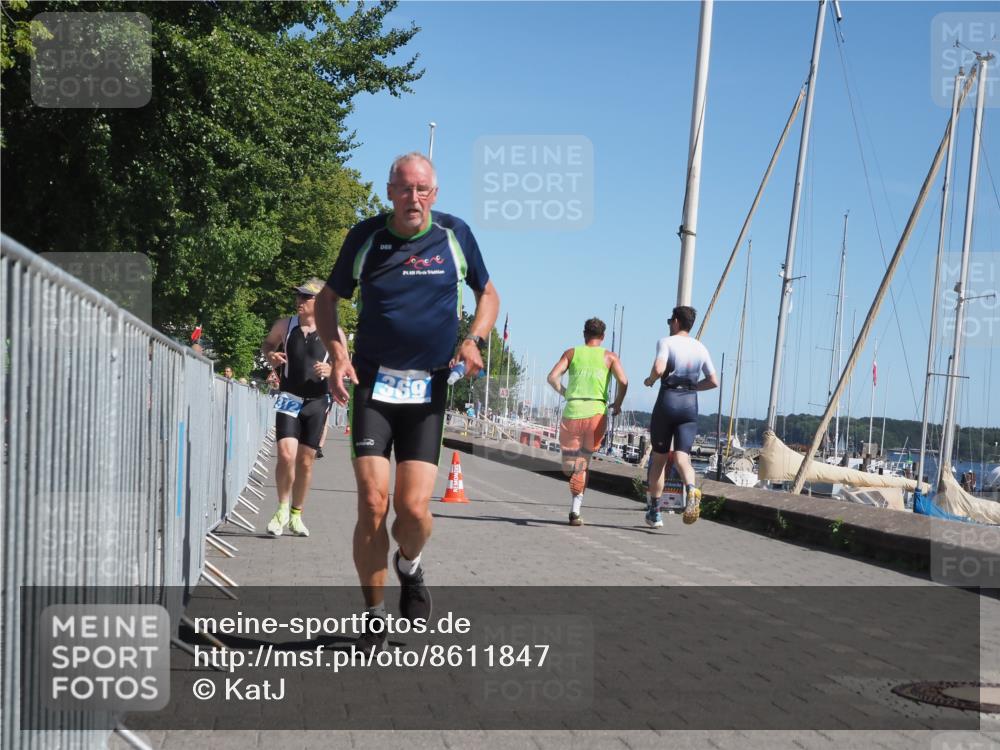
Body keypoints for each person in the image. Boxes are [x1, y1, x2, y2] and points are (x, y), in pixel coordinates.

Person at [315, 152, 499, 648]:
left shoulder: (455, 236)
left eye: (422, 190)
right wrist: (337, 354)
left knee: (413, 510)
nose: (413, 198)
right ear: (389, 191)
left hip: (428, 389)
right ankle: (373, 617)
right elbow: (327, 300)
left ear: (434, 195)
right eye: (403, 189)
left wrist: (474, 340)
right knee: (373, 502)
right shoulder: (366, 237)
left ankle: (409, 564)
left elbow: (488, 295)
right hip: (373, 386)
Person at [260, 277, 333, 538]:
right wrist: (270, 355)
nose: (299, 301)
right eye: (298, 296)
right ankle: (280, 509)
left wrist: (332, 369)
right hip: (289, 396)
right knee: (285, 454)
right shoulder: (285, 325)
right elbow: (267, 344)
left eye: (306, 297)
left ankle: (296, 515)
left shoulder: (333, 331)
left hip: (317, 402)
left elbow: (347, 365)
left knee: (305, 461)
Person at [546, 318, 628, 526]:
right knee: (584, 461)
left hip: (573, 411)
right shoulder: (609, 357)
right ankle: (575, 508)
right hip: (596, 413)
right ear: (602, 337)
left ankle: (575, 494)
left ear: (584, 334)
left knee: (571, 464)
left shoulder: (572, 353)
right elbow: (624, 381)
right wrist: (617, 404)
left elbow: (552, 377)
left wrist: (566, 392)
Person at [642, 306, 718, 528]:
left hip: (668, 402)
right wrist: (693, 386)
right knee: (683, 457)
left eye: (669, 320)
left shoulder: (666, 342)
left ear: (676, 321)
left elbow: (659, 366)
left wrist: (650, 380)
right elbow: (713, 381)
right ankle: (692, 489)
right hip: (689, 405)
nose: (668, 324)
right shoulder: (700, 348)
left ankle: (655, 513)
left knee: (659, 459)